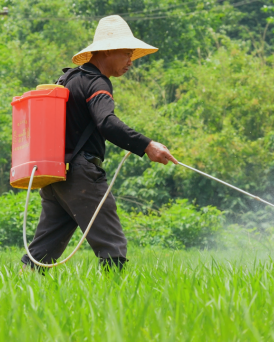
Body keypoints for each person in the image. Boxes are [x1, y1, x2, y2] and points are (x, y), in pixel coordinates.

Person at [21, 15, 177, 272]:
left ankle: (18, 293)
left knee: (42, 251)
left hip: (55, 176)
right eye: (126, 53)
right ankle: (119, 301)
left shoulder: (68, 79)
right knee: (112, 244)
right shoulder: (97, 82)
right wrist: (148, 145)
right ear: (105, 51)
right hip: (80, 176)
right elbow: (107, 122)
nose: (130, 61)